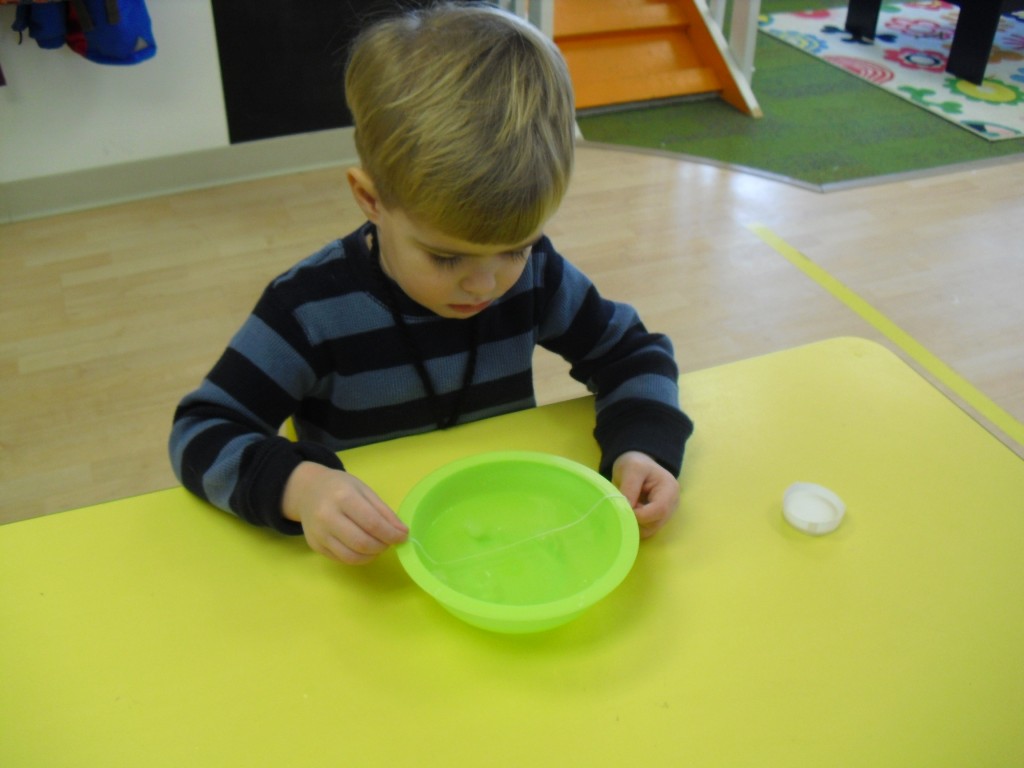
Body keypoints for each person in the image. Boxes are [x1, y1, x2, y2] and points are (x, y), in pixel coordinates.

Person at [169, 2, 694, 565]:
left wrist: (644, 444)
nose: (486, 283)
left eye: (515, 247)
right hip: (376, 564)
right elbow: (202, 430)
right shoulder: (308, 309)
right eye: (446, 257)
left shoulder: (536, 276)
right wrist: (300, 487)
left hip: (503, 542)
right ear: (371, 198)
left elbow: (634, 354)